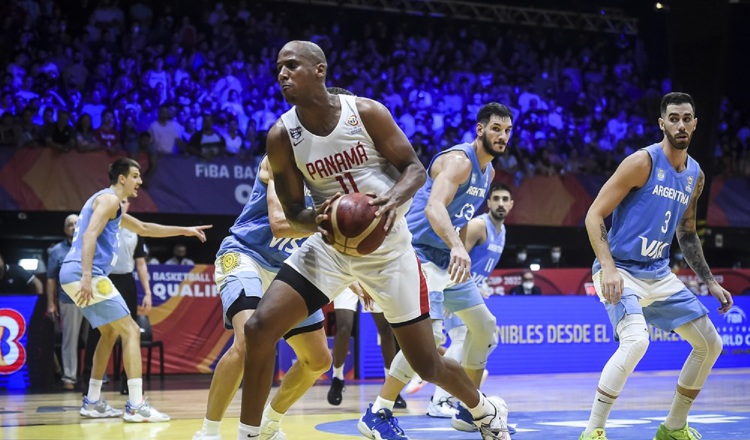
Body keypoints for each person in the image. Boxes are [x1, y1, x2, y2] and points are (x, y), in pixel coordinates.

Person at [238, 40, 508, 440]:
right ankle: (249, 434)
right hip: (330, 248)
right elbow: (294, 213)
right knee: (260, 328)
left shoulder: (365, 112)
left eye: (292, 65)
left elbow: (415, 170)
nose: (282, 74)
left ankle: (483, 412)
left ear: (319, 70)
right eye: (278, 67)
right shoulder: (281, 136)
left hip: (390, 251)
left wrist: (386, 204)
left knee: (426, 362)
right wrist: (323, 220)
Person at [579, 92, 730, 440]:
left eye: (686, 118)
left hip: (659, 274)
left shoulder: (695, 175)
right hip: (620, 269)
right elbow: (594, 214)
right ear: (662, 123)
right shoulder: (641, 162)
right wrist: (608, 266)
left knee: (711, 344)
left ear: (695, 123)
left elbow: (688, 234)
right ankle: (593, 431)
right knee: (636, 342)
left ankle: (673, 428)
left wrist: (709, 281)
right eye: (673, 118)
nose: (680, 124)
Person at [360, 102, 514, 440]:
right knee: (430, 340)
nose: (502, 136)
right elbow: (433, 207)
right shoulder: (459, 162)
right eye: (495, 129)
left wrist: (456, 249)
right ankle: (378, 410)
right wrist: (460, 246)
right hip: (417, 252)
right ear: (480, 130)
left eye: (506, 131)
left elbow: (456, 218)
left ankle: (467, 410)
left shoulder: (488, 174)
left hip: (445, 259)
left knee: (485, 327)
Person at [59, 157, 211, 423]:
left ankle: (93, 402)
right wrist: (86, 274)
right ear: (122, 179)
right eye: (136, 176)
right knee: (130, 330)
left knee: (108, 333)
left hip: (74, 273)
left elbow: (144, 228)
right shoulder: (109, 200)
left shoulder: (109, 205)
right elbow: (88, 235)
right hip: (85, 272)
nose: (140, 181)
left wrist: (184, 230)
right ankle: (135, 405)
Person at [193, 155, 332, 440]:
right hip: (247, 254)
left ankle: (270, 423)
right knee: (247, 343)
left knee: (318, 360)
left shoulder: (331, 179)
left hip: (290, 266)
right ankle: (208, 433)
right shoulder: (279, 161)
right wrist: (333, 224)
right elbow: (280, 224)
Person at [427, 183, 514, 419]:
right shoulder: (478, 225)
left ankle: (454, 391)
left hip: (469, 289)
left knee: (487, 340)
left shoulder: (502, 231)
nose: (501, 203)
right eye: (496, 198)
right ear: (488, 202)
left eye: (505, 199)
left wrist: (481, 284)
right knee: (462, 339)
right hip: (454, 288)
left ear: (511, 204)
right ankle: (440, 399)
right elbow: (454, 256)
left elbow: (477, 264)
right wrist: (445, 292)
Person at [81, 198, 154, 396]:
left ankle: (127, 382)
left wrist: (147, 292)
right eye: (119, 200)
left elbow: (141, 264)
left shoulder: (134, 229)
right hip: (103, 278)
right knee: (98, 331)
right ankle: (88, 381)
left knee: (128, 331)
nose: (122, 204)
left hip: (126, 282)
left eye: (125, 201)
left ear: (129, 205)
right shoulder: (102, 223)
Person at [327, 282, 406, 409]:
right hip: (347, 277)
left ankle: (391, 385)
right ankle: (337, 378)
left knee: (386, 329)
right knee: (344, 327)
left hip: (369, 276)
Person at [46, 214, 83, 390]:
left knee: (95, 339)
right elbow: (51, 279)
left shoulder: (91, 245)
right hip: (69, 300)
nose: (74, 227)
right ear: (65, 230)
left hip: (93, 299)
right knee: (70, 340)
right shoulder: (57, 251)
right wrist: (51, 304)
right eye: (70, 225)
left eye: (77, 223)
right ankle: (69, 376)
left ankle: (97, 376)